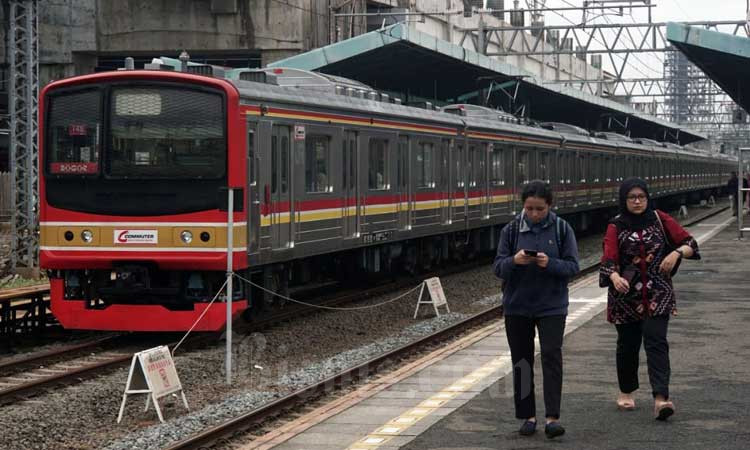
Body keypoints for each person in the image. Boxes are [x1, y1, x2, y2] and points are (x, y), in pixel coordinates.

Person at [600, 178, 700, 421]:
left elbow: (690, 243)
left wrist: (676, 254)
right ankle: (626, 391)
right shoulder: (616, 226)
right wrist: (613, 276)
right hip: (625, 297)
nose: (637, 201)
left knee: (656, 341)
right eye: (632, 197)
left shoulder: (660, 219)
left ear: (647, 198)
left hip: (658, 293)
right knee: (628, 345)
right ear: (624, 200)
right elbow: (608, 258)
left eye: (641, 197)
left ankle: (661, 399)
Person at [493, 180, 579, 439]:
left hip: (552, 305)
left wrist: (548, 263)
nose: (533, 214)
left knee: (552, 356)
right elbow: (498, 267)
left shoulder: (563, 229)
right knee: (521, 359)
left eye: (539, 209)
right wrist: (515, 261)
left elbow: (573, 267)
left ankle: (552, 417)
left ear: (550, 206)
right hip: (517, 305)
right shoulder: (510, 231)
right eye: (529, 208)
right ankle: (527, 416)